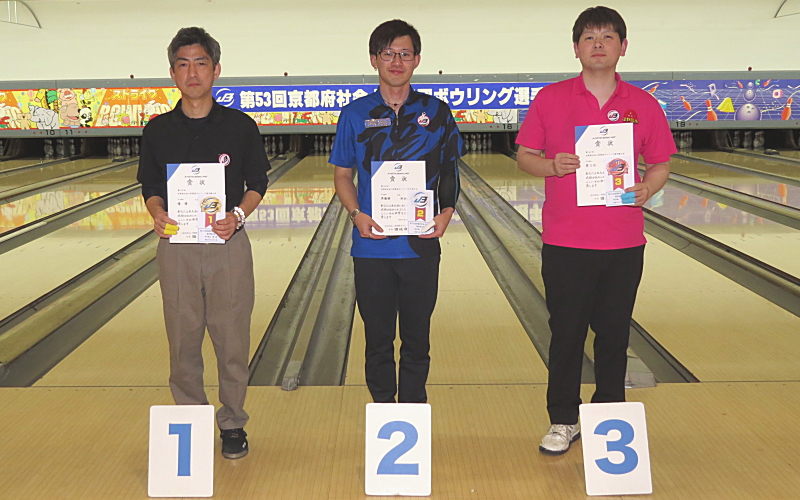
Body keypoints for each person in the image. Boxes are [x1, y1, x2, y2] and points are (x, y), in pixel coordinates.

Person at [516, 6, 675, 455]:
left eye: (608, 37)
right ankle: (563, 419)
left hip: (624, 243)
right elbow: (525, 155)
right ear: (576, 48)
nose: (599, 44)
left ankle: (608, 416)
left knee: (614, 335)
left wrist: (648, 187)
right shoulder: (550, 99)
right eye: (589, 37)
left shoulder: (644, 104)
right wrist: (552, 166)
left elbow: (660, 163)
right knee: (566, 334)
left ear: (623, 47)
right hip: (565, 242)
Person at [137, 27, 270, 459]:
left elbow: (258, 181)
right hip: (176, 247)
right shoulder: (157, 130)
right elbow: (151, 185)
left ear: (216, 69)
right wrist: (157, 212)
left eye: (200, 63)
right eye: (183, 64)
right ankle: (191, 421)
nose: (192, 73)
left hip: (227, 245)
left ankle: (233, 422)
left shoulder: (240, 126)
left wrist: (238, 216)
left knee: (232, 339)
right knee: (182, 339)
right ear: (172, 72)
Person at [330, 19, 464, 404]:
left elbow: (450, 171)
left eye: (405, 53)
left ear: (417, 59)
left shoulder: (436, 112)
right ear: (374, 59)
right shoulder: (354, 114)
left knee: (417, 339)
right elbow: (342, 175)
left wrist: (447, 212)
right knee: (377, 341)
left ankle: (412, 408)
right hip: (371, 247)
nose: (396, 61)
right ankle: (384, 410)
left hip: (420, 245)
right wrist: (356, 214)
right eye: (388, 53)